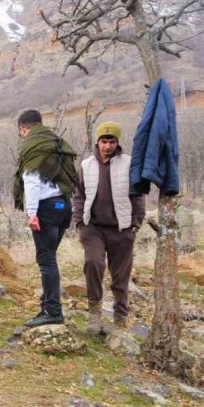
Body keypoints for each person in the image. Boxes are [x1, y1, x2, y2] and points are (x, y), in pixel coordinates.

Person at [73, 122, 147, 334]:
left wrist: (135, 225)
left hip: (121, 228)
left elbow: (138, 196)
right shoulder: (86, 165)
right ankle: (94, 312)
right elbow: (78, 194)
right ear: (97, 142)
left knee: (120, 275)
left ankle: (120, 316)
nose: (107, 146)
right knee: (93, 263)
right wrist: (79, 222)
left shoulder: (129, 164)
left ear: (117, 142)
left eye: (111, 141)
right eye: (104, 141)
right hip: (93, 227)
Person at [12, 109, 78, 327]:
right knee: (50, 258)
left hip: (46, 209)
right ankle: (48, 304)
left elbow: (31, 180)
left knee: (46, 260)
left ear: (23, 128)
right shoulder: (56, 142)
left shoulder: (33, 145)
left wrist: (32, 213)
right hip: (63, 206)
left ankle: (52, 310)